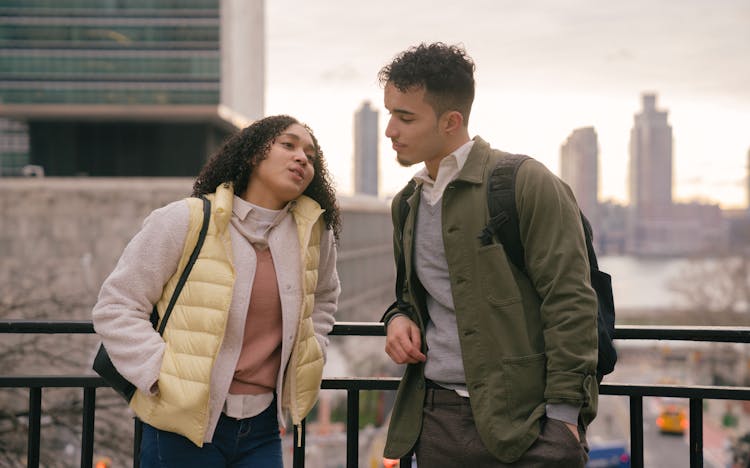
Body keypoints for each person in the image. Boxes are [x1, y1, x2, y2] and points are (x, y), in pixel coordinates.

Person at [379, 43, 598, 466]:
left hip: (529, 425)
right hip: (436, 421)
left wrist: (563, 422)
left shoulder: (525, 183)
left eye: (405, 117)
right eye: (390, 113)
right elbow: (414, 297)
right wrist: (398, 317)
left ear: (451, 121)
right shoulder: (406, 203)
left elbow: (570, 301)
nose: (390, 129)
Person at [92, 115, 341, 467]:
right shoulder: (185, 219)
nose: (302, 158)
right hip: (181, 425)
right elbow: (117, 305)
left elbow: (325, 300)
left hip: (264, 428)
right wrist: (160, 375)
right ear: (254, 155)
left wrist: (311, 352)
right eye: (288, 145)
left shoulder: (316, 236)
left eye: (311, 155)